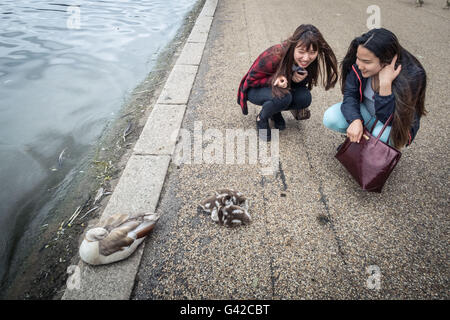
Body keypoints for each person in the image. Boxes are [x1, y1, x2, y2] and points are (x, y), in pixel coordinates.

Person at [323, 28, 427, 149]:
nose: (360, 65)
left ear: (385, 61)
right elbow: (350, 96)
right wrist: (355, 120)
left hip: (394, 124)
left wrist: (385, 87)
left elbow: (391, 119)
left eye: (366, 61)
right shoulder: (358, 66)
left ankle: (373, 149)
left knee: (380, 136)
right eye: (358, 58)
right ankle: (362, 141)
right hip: (368, 115)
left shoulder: (411, 76)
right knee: (331, 118)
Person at [237, 24, 338, 141]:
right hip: (254, 89)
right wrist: (275, 79)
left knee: (304, 98)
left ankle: (274, 111)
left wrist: (297, 79)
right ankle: (261, 118)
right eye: (301, 52)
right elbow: (250, 80)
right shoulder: (275, 55)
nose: (306, 58)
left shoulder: (309, 61)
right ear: (293, 46)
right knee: (284, 97)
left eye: (312, 52)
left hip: (276, 89)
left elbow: (297, 86)